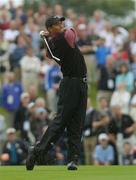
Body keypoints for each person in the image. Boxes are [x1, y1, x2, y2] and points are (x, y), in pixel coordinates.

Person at [26, 16, 87, 171]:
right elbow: (68, 36)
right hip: (70, 83)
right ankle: (37, 151)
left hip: (81, 84)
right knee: (61, 121)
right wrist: (49, 37)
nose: (61, 24)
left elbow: (50, 52)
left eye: (61, 22)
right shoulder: (62, 38)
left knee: (77, 122)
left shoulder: (55, 41)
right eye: (57, 24)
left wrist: (47, 37)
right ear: (50, 28)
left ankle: (73, 159)